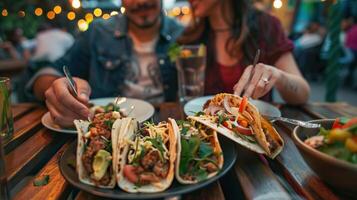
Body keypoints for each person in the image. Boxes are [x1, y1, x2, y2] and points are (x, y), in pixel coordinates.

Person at [29, 0, 183, 127]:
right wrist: (58, 90)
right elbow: (48, 73)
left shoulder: (185, 34)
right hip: (104, 131)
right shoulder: (98, 32)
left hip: (164, 126)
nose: (141, 2)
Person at [179, 0, 310, 104]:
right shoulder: (190, 39)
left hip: (255, 132)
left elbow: (303, 93)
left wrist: (278, 76)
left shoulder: (266, 25)